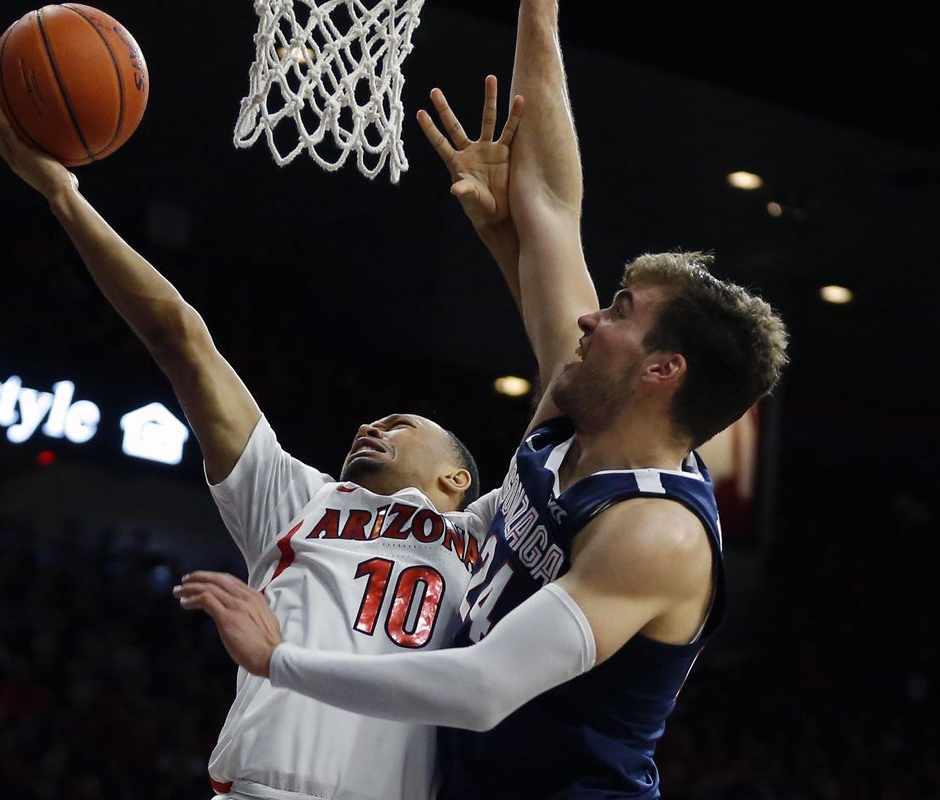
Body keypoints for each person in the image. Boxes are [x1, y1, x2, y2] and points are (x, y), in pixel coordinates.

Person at [174, 1, 790, 797]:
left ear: (661, 371)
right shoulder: (574, 423)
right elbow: (553, 215)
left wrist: (276, 659)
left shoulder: (656, 535)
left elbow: (480, 689)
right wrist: (540, 13)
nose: (589, 319)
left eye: (620, 314)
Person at [0, 90, 518, 800]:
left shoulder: (491, 531)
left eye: (399, 425)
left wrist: (517, 234)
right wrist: (63, 196)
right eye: (369, 423)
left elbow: (582, 394)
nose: (369, 427)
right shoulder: (297, 497)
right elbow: (182, 340)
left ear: (456, 480)